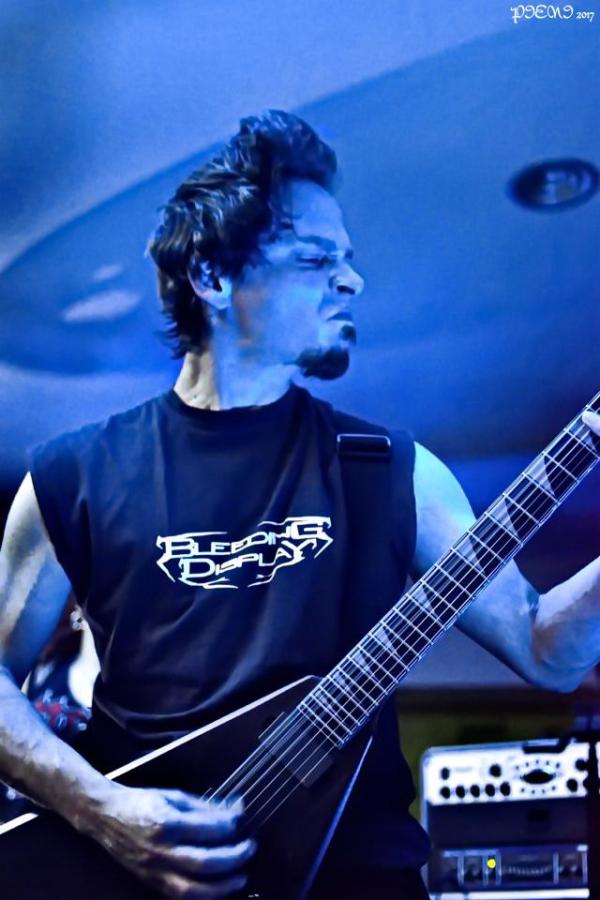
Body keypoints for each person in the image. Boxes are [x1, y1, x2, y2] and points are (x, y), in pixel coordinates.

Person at [0, 109, 599, 900]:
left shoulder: (393, 472)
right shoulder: (72, 475)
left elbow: (549, 653)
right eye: (316, 258)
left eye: (346, 260)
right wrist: (97, 807)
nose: (351, 281)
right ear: (212, 278)